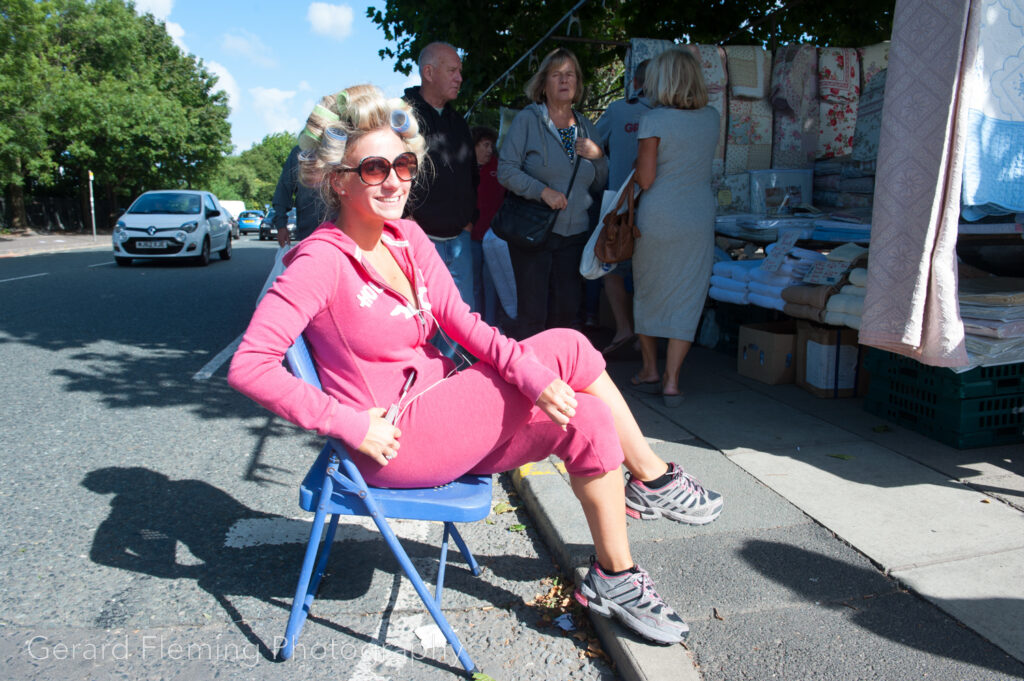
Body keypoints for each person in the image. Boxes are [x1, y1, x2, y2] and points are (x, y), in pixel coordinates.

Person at [227, 84, 722, 646]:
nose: (393, 180)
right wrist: (348, 424)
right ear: (339, 180)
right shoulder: (319, 260)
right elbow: (251, 365)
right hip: (394, 440)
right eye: (372, 168)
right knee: (569, 345)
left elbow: (465, 324)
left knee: (588, 416)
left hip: (445, 412)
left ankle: (615, 575)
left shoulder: (407, 238)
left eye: (404, 164)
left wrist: (530, 378)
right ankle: (653, 478)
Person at [497, 48, 607, 340]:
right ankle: (528, 381)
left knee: (567, 315)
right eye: (556, 74)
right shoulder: (529, 120)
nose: (564, 80)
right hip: (535, 232)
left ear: (578, 83)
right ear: (543, 84)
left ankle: (561, 378)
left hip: (575, 237)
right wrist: (541, 191)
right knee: (533, 316)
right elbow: (506, 169)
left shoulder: (585, 126)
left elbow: (599, 184)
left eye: (570, 74)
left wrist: (599, 157)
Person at [630, 49, 720, 407]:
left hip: (660, 215)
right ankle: (672, 380)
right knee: (688, 294)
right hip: (698, 215)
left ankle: (650, 368)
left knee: (648, 289)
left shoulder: (653, 120)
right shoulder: (711, 117)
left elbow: (646, 179)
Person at [403, 42, 477, 308]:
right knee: (423, 320)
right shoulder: (402, 117)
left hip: (459, 242)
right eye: (452, 71)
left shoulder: (457, 121)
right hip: (419, 241)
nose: (459, 78)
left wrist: (469, 220)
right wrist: (405, 221)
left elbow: (471, 175)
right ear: (429, 72)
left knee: (462, 320)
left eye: (460, 71)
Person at [593, 59, 652, 356]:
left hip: (619, 202)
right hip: (653, 203)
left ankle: (624, 328)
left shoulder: (619, 109)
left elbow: (593, 144)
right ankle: (645, 337)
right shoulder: (671, 113)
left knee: (610, 264)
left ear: (636, 83)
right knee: (646, 272)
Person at [470, 126, 504, 325]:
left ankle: (491, 327)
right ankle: (473, 328)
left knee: (492, 285)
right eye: (485, 145)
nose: (489, 149)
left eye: (491, 145)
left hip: (493, 237)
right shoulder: (464, 168)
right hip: (470, 236)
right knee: (473, 284)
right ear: (474, 146)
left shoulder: (497, 167)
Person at [271, 145, 330, 246]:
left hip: (347, 232)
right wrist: (281, 226)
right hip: (310, 233)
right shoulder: (299, 152)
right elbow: (283, 191)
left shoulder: (346, 145)